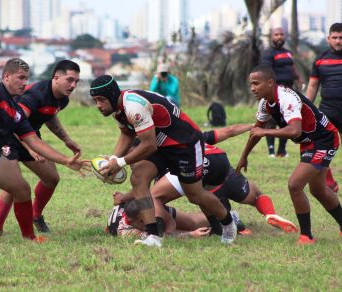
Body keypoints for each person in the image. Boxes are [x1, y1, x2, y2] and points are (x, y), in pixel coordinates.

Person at [0, 58, 87, 242]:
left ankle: (29, 238)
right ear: (7, 76)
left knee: (21, 189)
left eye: (26, 79)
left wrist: (66, 160)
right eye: (20, 78)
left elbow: (34, 141)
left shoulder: (17, 113)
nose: (24, 83)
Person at [90, 75, 237, 247]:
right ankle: (154, 236)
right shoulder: (118, 109)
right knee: (138, 178)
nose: (98, 105)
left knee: (195, 195)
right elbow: (127, 134)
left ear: (113, 95)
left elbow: (149, 145)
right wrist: (113, 159)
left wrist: (120, 162)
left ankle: (228, 222)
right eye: (95, 101)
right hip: (161, 144)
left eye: (101, 100)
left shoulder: (133, 106)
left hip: (185, 143)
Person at [236, 64, 342, 245]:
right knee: (318, 189)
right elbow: (256, 131)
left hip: (324, 138)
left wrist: (266, 133)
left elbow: (294, 130)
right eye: (251, 84)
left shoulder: (286, 97)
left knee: (295, 185)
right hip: (310, 141)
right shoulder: (265, 103)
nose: (253, 88)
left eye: (256, 83)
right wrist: (244, 156)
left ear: (270, 82)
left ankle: (306, 236)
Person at [0, 60, 81, 237]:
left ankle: (35, 216)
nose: (73, 85)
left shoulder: (63, 99)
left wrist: (66, 139)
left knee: (51, 178)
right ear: (56, 78)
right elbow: (14, 123)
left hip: (30, 136)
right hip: (7, 135)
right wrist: (31, 149)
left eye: (76, 81)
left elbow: (49, 115)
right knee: (13, 184)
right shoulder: (35, 95)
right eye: (69, 80)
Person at [150, 125, 298, 235]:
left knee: (199, 200)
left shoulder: (156, 162)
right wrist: (253, 126)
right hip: (222, 170)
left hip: (203, 188)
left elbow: (154, 199)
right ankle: (269, 212)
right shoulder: (192, 137)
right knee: (256, 195)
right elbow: (229, 131)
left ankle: (229, 221)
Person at [305, 22, 342, 193]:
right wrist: (305, 108)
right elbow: (313, 86)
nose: (338, 41)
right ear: (328, 39)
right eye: (334, 37)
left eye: (341, 38)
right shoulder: (320, 60)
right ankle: (328, 179)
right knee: (321, 145)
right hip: (327, 110)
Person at [260, 27, 304, 158]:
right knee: (272, 120)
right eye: (276, 34)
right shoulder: (268, 54)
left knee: (286, 121)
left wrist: (299, 78)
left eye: (281, 34)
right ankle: (271, 151)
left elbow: (293, 67)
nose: (279, 37)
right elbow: (266, 72)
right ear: (271, 37)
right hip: (276, 93)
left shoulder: (287, 53)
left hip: (289, 91)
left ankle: (282, 151)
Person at [106, 199, 212, 239]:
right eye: (142, 221)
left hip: (146, 206)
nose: (148, 221)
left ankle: (224, 215)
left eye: (148, 216)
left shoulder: (138, 205)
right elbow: (160, 238)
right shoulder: (128, 232)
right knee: (160, 232)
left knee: (192, 222)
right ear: (131, 221)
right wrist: (191, 234)